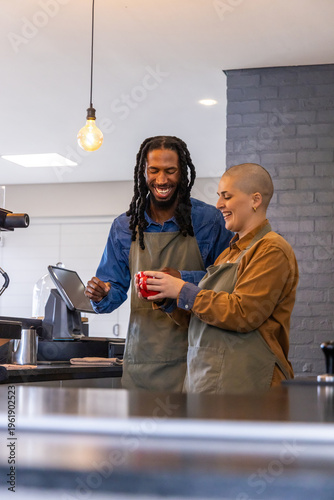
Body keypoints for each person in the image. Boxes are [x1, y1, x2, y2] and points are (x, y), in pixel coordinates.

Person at [85, 136, 232, 392]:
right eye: (154, 170)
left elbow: (228, 283)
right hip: (143, 361)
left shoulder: (209, 220)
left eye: (170, 171)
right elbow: (114, 292)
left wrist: (180, 280)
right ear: (143, 172)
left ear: (182, 173)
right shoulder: (124, 226)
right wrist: (103, 293)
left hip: (198, 360)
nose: (162, 180)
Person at [140, 163, 299, 394]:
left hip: (250, 388)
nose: (219, 205)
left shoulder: (271, 250)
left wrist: (183, 290)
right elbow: (201, 319)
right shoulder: (228, 253)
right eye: (219, 197)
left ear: (255, 200)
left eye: (227, 196)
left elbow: (243, 314)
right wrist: (167, 298)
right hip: (208, 384)